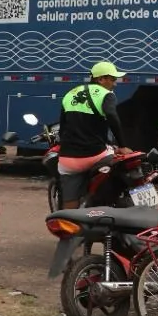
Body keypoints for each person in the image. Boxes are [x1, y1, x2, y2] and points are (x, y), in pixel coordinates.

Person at [56, 60, 129, 208]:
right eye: (113, 79)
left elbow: (63, 127)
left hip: (69, 159)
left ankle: (71, 223)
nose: (115, 83)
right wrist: (122, 145)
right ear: (101, 79)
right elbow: (112, 117)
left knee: (69, 197)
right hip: (96, 155)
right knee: (116, 159)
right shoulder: (106, 94)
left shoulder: (70, 94)